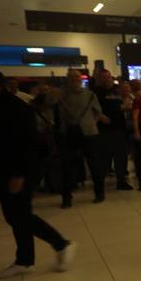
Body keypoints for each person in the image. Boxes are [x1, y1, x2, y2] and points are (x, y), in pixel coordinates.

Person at [0, 67, 76, 279]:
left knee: (18, 215)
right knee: (16, 215)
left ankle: (60, 244)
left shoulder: (14, 107)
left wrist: (19, 174)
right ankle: (25, 260)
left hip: (18, 170)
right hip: (6, 168)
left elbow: (27, 142)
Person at [58, 69, 105, 207]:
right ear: (67, 80)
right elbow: (60, 115)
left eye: (77, 78)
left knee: (94, 165)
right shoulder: (62, 96)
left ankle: (99, 193)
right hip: (71, 134)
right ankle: (66, 197)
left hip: (89, 133)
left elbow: (98, 112)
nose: (75, 81)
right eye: (72, 78)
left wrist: (90, 123)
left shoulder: (90, 94)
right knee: (68, 167)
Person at [93, 69, 133, 191]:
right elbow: (91, 108)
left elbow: (126, 101)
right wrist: (100, 116)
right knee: (104, 157)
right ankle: (99, 183)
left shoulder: (117, 90)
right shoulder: (95, 92)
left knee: (121, 156)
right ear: (99, 78)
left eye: (108, 77)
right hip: (104, 130)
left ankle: (121, 180)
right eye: (103, 77)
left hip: (120, 128)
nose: (106, 79)